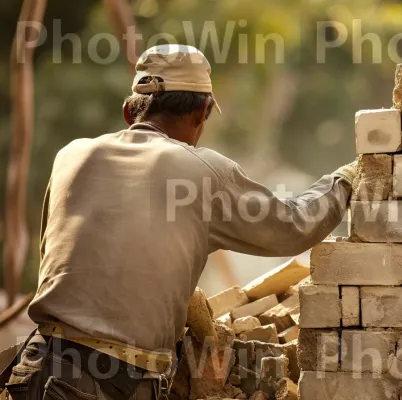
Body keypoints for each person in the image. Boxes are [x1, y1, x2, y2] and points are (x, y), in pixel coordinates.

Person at [1, 44, 357, 399]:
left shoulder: (71, 156)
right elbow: (292, 227)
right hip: (110, 383)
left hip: (38, 369)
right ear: (201, 114)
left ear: (129, 112)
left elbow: (59, 255)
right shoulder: (202, 171)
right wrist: (343, 181)